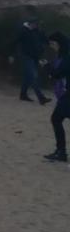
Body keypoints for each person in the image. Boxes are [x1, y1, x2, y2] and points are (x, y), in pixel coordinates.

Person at [12, 15, 51, 104]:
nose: (36, 26)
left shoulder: (37, 31)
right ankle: (41, 98)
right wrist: (11, 55)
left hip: (35, 57)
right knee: (33, 76)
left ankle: (23, 95)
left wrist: (50, 42)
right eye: (35, 24)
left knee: (28, 76)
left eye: (37, 24)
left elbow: (44, 39)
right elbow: (15, 42)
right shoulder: (23, 31)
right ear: (31, 23)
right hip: (26, 56)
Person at [45, 32, 70, 162]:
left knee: (56, 119)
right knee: (56, 118)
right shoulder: (65, 55)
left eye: (54, 44)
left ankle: (61, 152)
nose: (53, 47)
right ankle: (61, 152)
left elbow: (59, 73)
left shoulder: (67, 56)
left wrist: (48, 68)